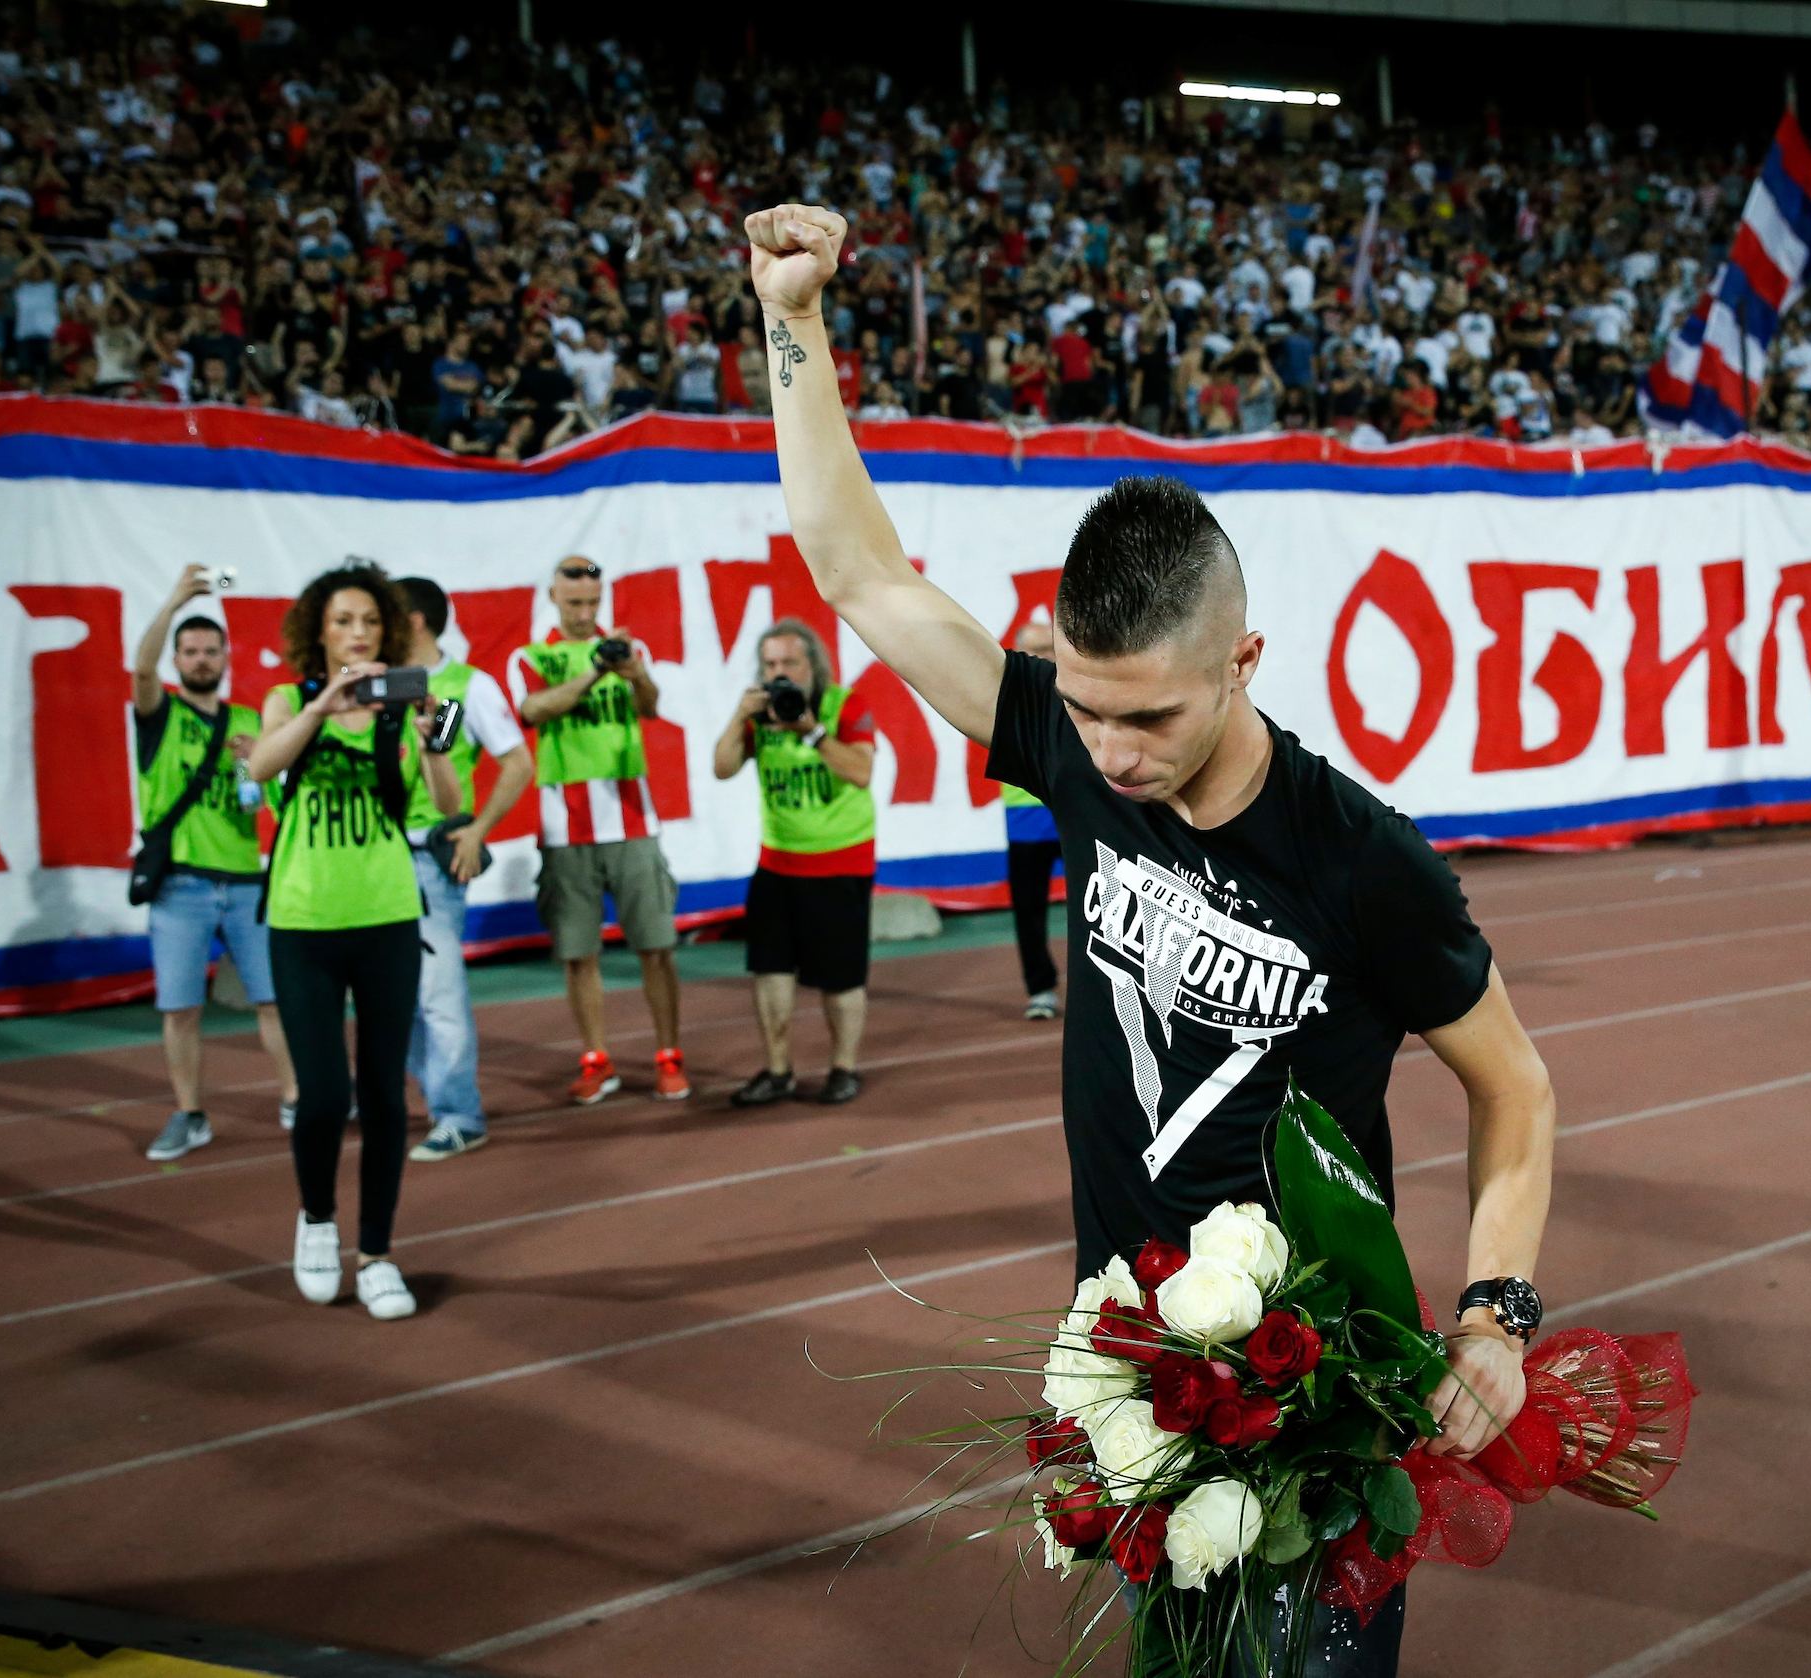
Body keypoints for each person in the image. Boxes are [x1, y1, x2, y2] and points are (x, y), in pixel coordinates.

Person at [749, 204, 1556, 1673]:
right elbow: (858, 571)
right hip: (1122, 1365)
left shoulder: (1362, 859)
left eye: (1153, 716)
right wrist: (793, 315)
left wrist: (1496, 1313)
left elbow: (1516, 1085)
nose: (1111, 752)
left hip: (1320, 1387)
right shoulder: (1064, 738)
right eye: (1087, 705)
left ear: (1242, 661)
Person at [246, 562, 464, 1322]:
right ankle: (315, 1218)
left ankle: (376, 1252)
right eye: (342, 621)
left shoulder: (411, 710)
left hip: (387, 919)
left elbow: (451, 805)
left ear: (392, 632)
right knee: (324, 1095)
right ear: (318, 631)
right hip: (303, 922)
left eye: (370, 621)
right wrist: (324, 707)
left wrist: (440, 728)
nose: (358, 633)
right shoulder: (288, 699)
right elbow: (263, 763)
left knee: (381, 1096)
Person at [130, 564, 300, 1161]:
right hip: (180, 887)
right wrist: (176, 600)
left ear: (227, 655)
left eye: (210, 650)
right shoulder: (159, 717)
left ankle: (295, 1099)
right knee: (181, 1008)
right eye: (190, 650)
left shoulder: (253, 721)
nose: (200, 659)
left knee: (275, 998)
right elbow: (143, 670)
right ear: (178, 658)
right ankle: (190, 1113)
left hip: (248, 883)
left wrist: (259, 762)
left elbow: (275, 801)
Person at [513, 558, 690, 1104]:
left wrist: (635, 673)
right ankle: (596, 1059)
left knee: (656, 946)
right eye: (574, 603)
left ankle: (668, 1056)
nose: (586, 613)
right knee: (578, 954)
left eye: (593, 602)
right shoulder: (533, 656)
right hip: (566, 827)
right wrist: (593, 671)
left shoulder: (627, 651)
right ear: (553, 597)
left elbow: (651, 708)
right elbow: (533, 709)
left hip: (633, 818)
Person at [396, 577, 536, 1161]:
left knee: (438, 992)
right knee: (392, 993)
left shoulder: (465, 688)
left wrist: (476, 831)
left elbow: (518, 762)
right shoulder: (377, 685)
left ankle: (459, 1113)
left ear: (416, 621)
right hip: (372, 859)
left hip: (429, 860)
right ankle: (437, 1098)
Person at [710, 619, 876, 1106]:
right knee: (770, 971)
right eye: (770, 664)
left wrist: (812, 731)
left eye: (789, 663)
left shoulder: (845, 704)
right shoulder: (760, 713)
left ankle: (843, 1067)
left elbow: (861, 772)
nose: (779, 673)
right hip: (778, 864)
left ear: (813, 665)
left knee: (841, 978)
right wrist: (737, 717)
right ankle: (777, 1069)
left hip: (841, 863)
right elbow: (721, 768)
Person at [1003, 618, 1063, 1022]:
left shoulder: (1083, 698)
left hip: (1071, 815)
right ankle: (1040, 988)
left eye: (1049, 648)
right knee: (1028, 909)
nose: (1043, 657)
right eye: (1034, 649)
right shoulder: (1006, 700)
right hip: (1024, 821)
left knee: (1101, 905)